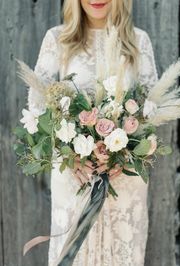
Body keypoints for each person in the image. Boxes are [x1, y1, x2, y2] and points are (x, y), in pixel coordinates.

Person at [28, 0, 158, 265]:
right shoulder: (58, 40)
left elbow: (152, 112)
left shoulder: (138, 41)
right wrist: (68, 155)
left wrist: (125, 154)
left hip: (124, 182)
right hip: (75, 177)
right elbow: (37, 110)